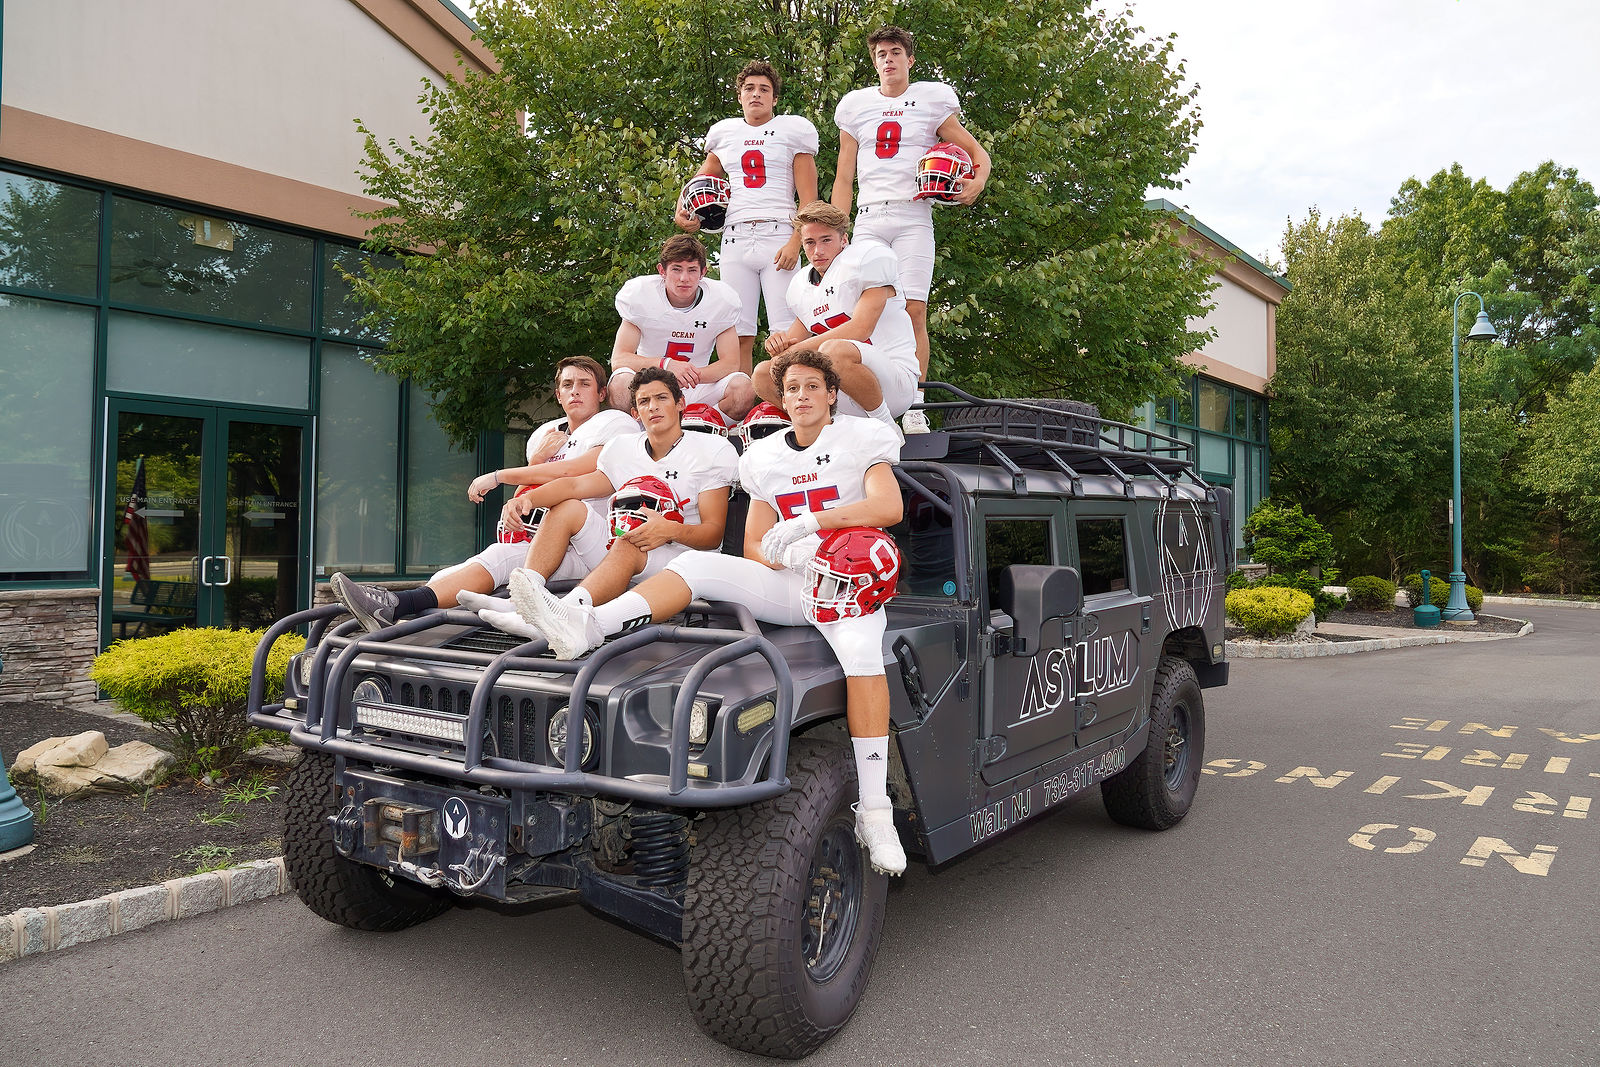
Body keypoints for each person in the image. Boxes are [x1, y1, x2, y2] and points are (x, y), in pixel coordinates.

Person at [484, 350, 909, 875]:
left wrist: (813, 526)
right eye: (792, 388)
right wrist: (789, 550)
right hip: (791, 580)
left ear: (831, 395)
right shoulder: (764, 455)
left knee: (864, 659)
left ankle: (874, 810)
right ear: (782, 397)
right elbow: (753, 547)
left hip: (847, 583)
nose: (800, 397)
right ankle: (587, 622)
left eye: (811, 387)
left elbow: (889, 508)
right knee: (703, 565)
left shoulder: (859, 440)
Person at [327, 356, 636, 631]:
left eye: (584, 383)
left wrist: (498, 476)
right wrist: (535, 463)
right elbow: (527, 495)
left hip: (596, 547)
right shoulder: (547, 436)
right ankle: (398, 611)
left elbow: (572, 475)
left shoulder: (615, 424)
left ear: (601, 393)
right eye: (567, 384)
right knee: (462, 570)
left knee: (507, 552)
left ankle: (398, 605)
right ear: (557, 395)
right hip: (552, 545)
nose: (575, 390)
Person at [466, 367, 738, 630]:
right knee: (569, 508)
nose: (653, 406)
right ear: (635, 413)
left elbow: (713, 535)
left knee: (628, 541)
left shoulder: (710, 449)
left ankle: (562, 616)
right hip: (621, 551)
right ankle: (524, 600)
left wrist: (670, 529)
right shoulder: (623, 449)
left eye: (661, 398)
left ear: (681, 404)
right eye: (644, 401)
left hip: (681, 560)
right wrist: (528, 499)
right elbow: (574, 485)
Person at [831, 24, 992, 433]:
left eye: (895, 52)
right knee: (861, 313)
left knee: (913, 308)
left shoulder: (930, 100)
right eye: (881, 54)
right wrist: (836, 226)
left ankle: (916, 403)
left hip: (912, 215)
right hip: (867, 217)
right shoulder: (856, 107)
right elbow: (844, 175)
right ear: (874, 61)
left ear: (909, 59)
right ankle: (853, 399)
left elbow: (977, 153)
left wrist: (977, 179)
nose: (888, 59)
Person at [675, 60, 819, 374]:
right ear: (739, 95)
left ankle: (785, 401)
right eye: (749, 88)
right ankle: (740, 406)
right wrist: (681, 210)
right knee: (738, 329)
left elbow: (809, 199)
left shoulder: (793, 131)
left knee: (786, 330)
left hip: (780, 233)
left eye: (764, 89)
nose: (756, 94)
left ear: (775, 98)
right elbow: (697, 185)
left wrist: (797, 242)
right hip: (735, 238)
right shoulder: (725, 134)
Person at [756, 201, 918, 432]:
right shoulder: (801, 285)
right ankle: (823, 428)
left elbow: (861, 329)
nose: (817, 250)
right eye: (810, 243)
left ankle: (886, 426)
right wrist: (778, 345)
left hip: (892, 383)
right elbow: (791, 348)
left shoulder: (866, 259)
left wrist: (793, 352)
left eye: (826, 240)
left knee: (833, 350)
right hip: (841, 390)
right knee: (763, 373)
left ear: (844, 240)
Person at [610, 235, 754, 421]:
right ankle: (637, 433)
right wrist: (666, 366)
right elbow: (620, 359)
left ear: (703, 272)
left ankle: (703, 426)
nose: (684, 278)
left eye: (692, 270)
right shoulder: (640, 295)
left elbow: (731, 364)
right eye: (676, 269)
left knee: (742, 387)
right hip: (648, 385)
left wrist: (688, 376)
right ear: (662, 270)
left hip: (695, 385)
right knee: (620, 382)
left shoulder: (722, 300)